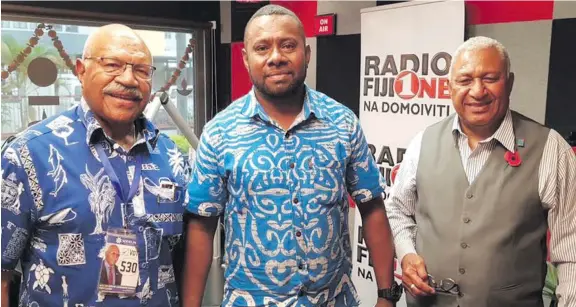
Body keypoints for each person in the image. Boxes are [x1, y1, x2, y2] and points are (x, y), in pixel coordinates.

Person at [182, 4, 400, 307]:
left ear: (306, 53)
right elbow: (202, 225)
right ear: (245, 59)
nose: (276, 57)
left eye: (288, 45)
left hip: (333, 299)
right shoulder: (219, 133)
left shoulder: (343, 123)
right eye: (262, 47)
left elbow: (372, 206)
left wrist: (386, 296)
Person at [1, 24, 190, 307]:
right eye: (112, 65)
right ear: (81, 70)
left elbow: (179, 260)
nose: (128, 79)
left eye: (141, 70)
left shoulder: (172, 159)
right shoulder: (29, 155)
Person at [385, 36, 576, 307]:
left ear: (509, 83)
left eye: (490, 78)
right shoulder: (423, 142)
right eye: (464, 81)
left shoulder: (549, 149)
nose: (477, 91)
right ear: (448, 87)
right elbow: (397, 211)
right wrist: (406, 253)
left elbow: (572, 251)